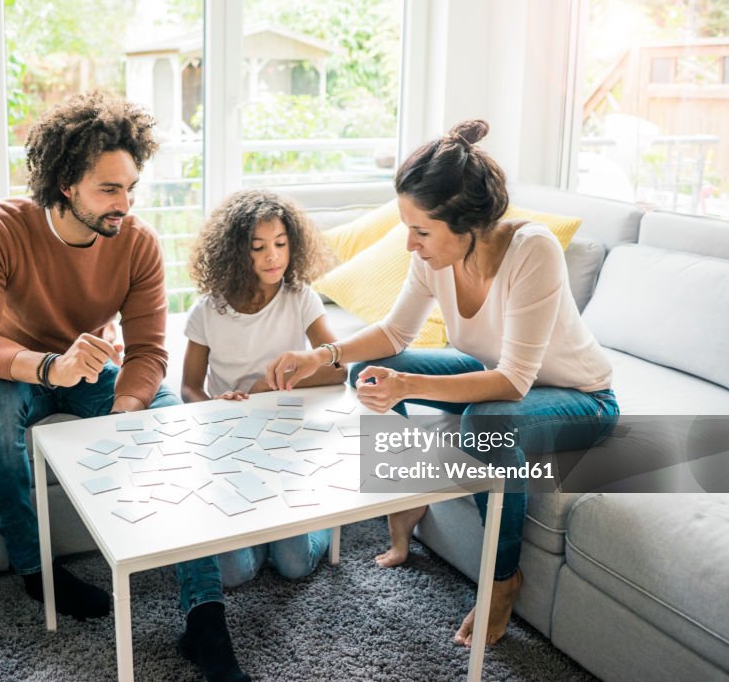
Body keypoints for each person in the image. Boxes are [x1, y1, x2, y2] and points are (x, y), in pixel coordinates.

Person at [265, 120, 619, 647]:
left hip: (581, 397)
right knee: (371, 371)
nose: (409, 244)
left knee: (488, 422)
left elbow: (513, 383)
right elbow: (394, 332)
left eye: (421, 231)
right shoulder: (435, 258)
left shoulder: (532, 251)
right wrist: (323, 354)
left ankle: (502, 581)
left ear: (468, 223)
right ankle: (407, 497)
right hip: (492, 374)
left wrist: (407, 386)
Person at [0, 91, 246, 681]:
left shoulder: (137, 244)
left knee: (171, 422)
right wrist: (50, 366)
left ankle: (205, 618)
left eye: (131, 188)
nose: (125, 204)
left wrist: (129, 406)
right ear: (64, 184)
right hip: (16, 370)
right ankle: (37, 572)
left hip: (91, 372)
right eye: (110, 190)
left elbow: (150, 352)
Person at [177, 190, 345, 636]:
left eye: (281, 243)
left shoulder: (299, 297)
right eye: (259, 247)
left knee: (293, 566)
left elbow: (339, 370)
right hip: (228, 450)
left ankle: (323, 521)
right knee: (234, 574)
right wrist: (214, 404)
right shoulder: (209, 310)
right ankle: (266, 526)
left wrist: (265, 385)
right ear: (237, 252)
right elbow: (188, 388)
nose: (274, 257)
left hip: (284, 446)